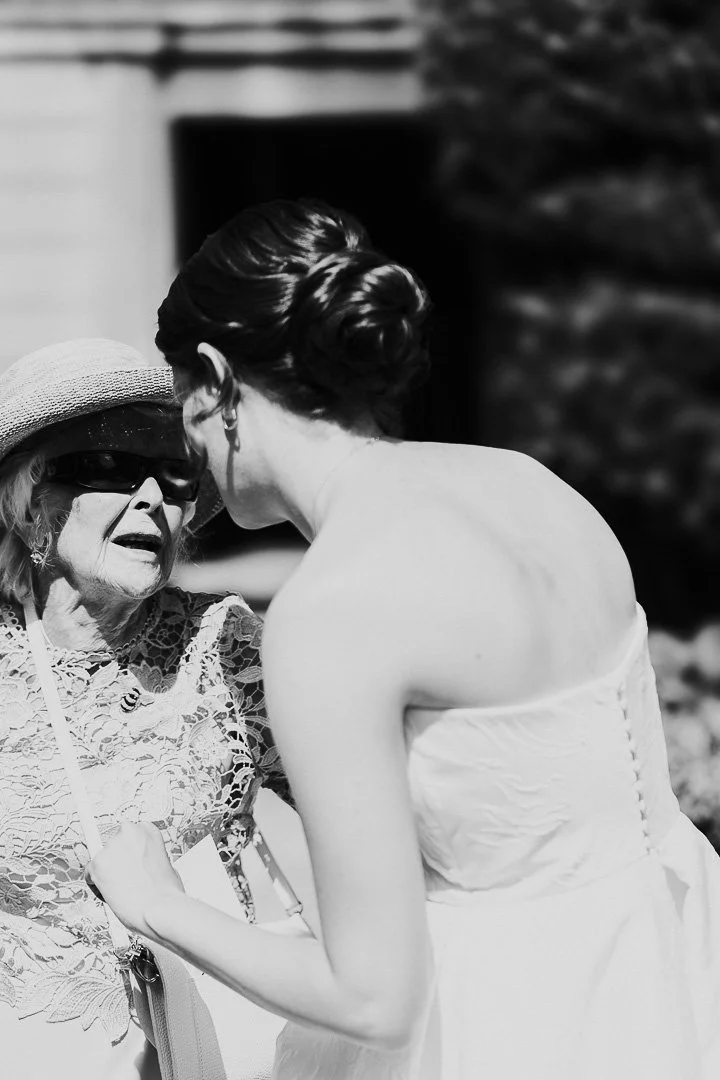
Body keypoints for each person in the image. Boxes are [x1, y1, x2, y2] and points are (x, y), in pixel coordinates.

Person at [89, 200, 720, 1080]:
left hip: (512, 1030)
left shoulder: (332, 613)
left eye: (181, 408)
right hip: (664, 979)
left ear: (216, 378)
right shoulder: (538, 489)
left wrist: (158, 905)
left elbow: (375, 1001)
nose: (184, 452)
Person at [0, 338, 290, 1080]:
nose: (154, 499)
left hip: (221, 1049)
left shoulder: (228, 643)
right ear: (34, 501)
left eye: (178, 475)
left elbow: (380, 820)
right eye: (113, 467)